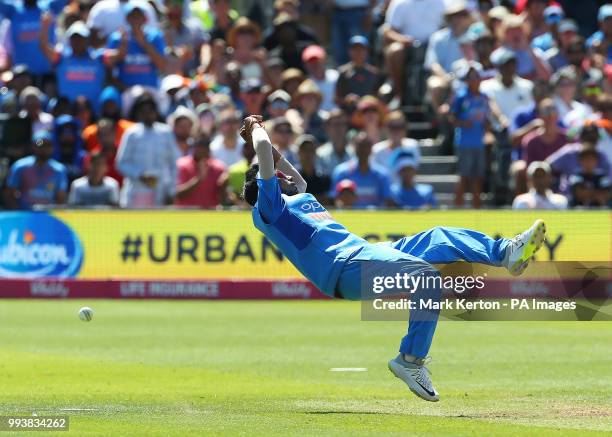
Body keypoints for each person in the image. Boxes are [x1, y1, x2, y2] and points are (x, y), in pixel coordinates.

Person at [240, 114, 547, 402]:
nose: (282, 175)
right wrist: (256, 129)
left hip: (368, 252)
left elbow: (293, 175)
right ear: (265, 183)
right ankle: (410, 360)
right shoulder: (270, 211)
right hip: (345, 270)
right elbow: (264, 149)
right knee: (426, 277)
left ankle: (506, 252)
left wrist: (275, 154)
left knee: (440, 236)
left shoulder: (300, 195)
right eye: (274, 173)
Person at [116, 93, 180, 208]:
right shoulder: (132, 133)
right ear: (139, 114)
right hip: (136, 189)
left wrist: (171, 190)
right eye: (144, 111)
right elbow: (121, 163)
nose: (147, 115)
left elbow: (174, 163)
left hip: (160, 190)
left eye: (150, 111)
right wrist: (140, 175)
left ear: (155, 112)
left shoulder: (166, 132)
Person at [105, 3, 166, 89]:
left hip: (150, 90)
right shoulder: (117, 38)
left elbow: (162, 66)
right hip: (125, 90)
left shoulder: (155, 36)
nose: (136, 20)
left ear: (144, 19)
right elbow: (107, 64)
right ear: (127, 18)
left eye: (139, 16)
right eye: (133, 16)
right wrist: (121, 49)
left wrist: (144, 43)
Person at [4, 131, 68, 209]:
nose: (44, 148)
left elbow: (60, 197)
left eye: (48, 145)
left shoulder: (59, 170)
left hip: (48, 216)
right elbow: (9, 193)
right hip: (25, 214)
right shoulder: (20, 167)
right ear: (33, 146)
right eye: (40, 144)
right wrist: (18, 213)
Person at [330, 133, 392, 207]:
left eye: (366, 146)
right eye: (360, 146)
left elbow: (387, 201)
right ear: (354, 148)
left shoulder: (382, 174)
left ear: (371, 149)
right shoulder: (341, 172)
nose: (363, 150)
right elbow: (335, 199)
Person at [175, 135, 228, 209]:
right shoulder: (182, 165)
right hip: (186, 215)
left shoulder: (219, 167)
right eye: (199, 145)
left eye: (205, 146)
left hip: (210, 216)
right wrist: (199, 179)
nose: (202, 149)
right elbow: (178, 194)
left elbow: (223, 199)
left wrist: (223, 186)